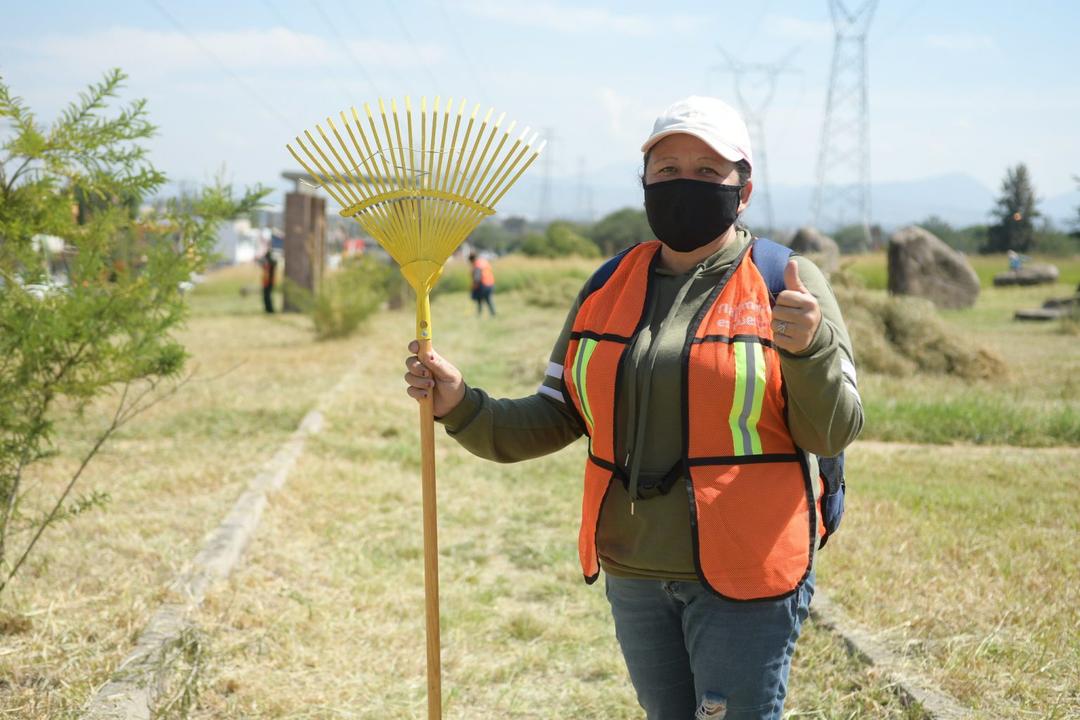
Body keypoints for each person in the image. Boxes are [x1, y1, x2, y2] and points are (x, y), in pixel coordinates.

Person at [404, 96, 863, 719]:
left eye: (707, 172)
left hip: (745, 573)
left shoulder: (787, 282)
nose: (684, 185)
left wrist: (810, 348)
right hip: (635, 570)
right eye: (667, 169)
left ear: (743, 190)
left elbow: (832, 429)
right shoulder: (607, 286)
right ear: (644, 182)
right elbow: (557, 414)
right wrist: (461, 404)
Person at [469, 251, 496, 316]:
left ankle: (479, 314)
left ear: (472, 259)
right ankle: (493, 313)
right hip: (490, 283)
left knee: (479, 299)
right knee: (488, 299)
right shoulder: (484, 261)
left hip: (483, 284)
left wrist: (474, 287)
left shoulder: (477, 265)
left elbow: (477, 278)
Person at [259, 246, 277, 313]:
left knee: (268, 296)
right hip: (266, 281)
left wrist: (267, 260)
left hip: (269, 282)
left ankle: (270, 309)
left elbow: (274, 263)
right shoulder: (267, 262)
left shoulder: (271, 262)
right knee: (266, 296)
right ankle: (267, 309)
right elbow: (261, 262)